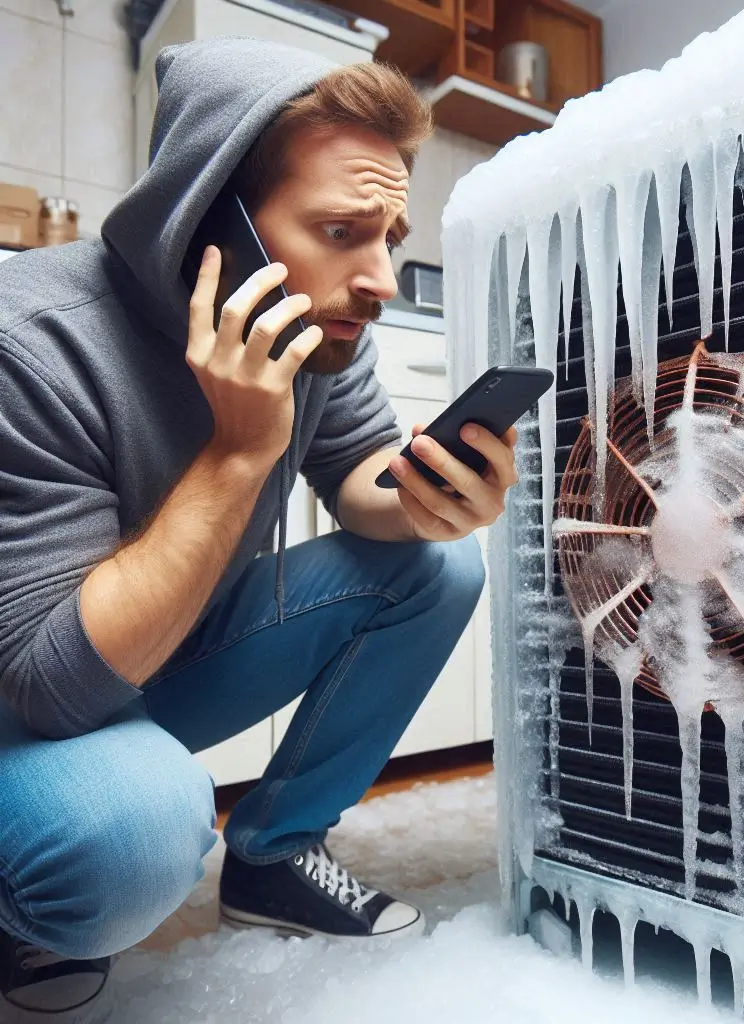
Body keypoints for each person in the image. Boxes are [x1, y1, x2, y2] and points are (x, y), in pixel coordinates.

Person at [0, 38, 517, 1023]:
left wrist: (422, 495)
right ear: (212, 226)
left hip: (151, 661)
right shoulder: (31, 344)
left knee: (437, 561)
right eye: (340, 229)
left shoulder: (318, 329)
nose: (383, 280)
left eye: (391, 238)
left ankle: (273, 856)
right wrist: (239, 452)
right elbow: (56, 685)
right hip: (28, 698)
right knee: (130, 834)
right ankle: (21, 904)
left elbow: (362, 467)